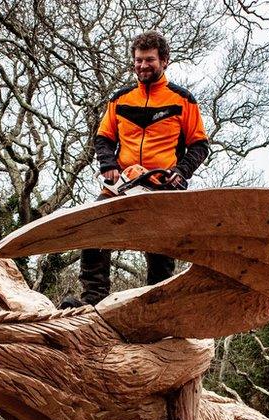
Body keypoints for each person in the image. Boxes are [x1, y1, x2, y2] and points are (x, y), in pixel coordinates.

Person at [67, 31, 210, 307]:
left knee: (161, 249)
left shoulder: (183, 100)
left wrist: (181, 172)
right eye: (138, 60)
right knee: (93, 227)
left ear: (164, 61)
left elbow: (200, 145)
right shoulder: (121, 99)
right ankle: (94, 299)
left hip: (161, 185)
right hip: (124, 182)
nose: (143, 66)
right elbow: (103, 137)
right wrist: (108, 164)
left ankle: (157, 306)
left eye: (150, 60)